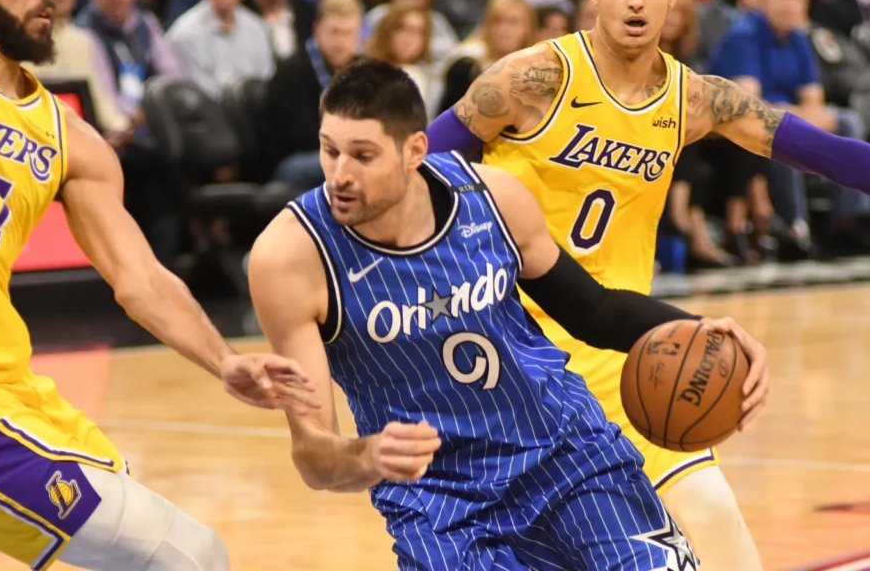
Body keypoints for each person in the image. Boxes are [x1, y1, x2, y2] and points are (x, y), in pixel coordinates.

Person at [0, 0, 319, 571]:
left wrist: (223, 361)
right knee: (188, 557)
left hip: (11, 391)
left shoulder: (69, 134)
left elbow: (140, 277)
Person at [248, 58, 771, 570]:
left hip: (567, 456)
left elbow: (593, 311)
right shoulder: (292, 259)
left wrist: (701, 331)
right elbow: (313, 456)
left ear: (414, 151)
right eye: (329, 150)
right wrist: (364, 457)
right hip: (441, 504)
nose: (339, 174)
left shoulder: (491, 197)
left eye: (362, 155)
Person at [424, 0, 870, 566]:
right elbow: (414, 169)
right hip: (509, 357)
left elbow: (824, 152)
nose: (636, 1)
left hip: (623, 348)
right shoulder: (530, 78)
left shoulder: (693, 99)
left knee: (715, 517)